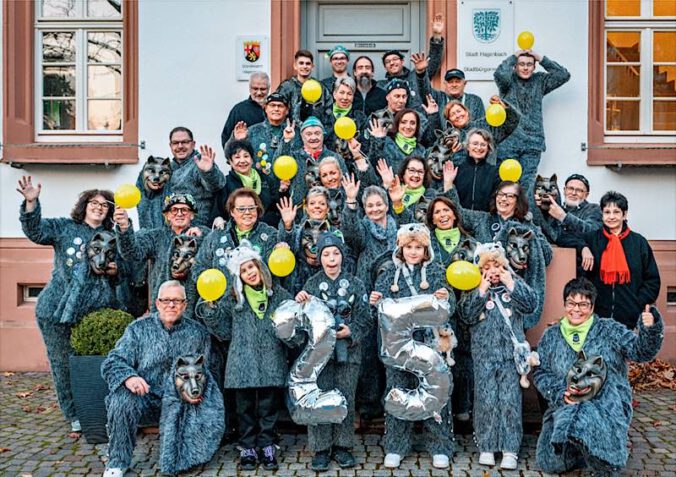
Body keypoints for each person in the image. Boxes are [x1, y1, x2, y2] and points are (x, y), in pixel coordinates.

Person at [18, 177, 122, 434]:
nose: (99, 207)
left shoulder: (115, 236)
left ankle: (98, 408)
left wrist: (114, 271)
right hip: (56, 310)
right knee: (62, 363)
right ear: (84, 205)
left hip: (94, 313)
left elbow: (125, 271)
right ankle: (74, 412)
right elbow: (36, 231)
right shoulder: (65, 228)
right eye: (93, 202)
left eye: (105, 205)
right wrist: (31, 203)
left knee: (94, 364)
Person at [535, 277, 664, 475]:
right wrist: (560, 393)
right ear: (565, 304)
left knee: (592, 434)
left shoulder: (609, 329)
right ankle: (581, 450)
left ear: (592, 306)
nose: (576, 309)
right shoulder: (551, 336)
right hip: (566, 403)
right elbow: (541, 373)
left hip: (607, 404)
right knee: (550, 462)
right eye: (571, 303)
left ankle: (606, 457)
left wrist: (649, 328)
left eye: (583, 304)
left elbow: (641, 352)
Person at [101, 281, 219, 477]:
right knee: (121, 399)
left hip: (181, 401)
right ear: (157, 303)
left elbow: (209, 370)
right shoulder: (138, 329)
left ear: (185, 305)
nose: (171, 305)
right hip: (145, 396)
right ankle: (117, 462)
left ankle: (186, 456)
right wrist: (129, 377)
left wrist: (198, 390)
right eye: (166, 300)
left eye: (177, 301)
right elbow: (112, 361)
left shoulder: (198, 333)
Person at [198, 242, 291, 471]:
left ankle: (267, 445)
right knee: (245, 408)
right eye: (244, 270)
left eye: (252, 268)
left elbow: (290, 315)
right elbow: (223, 332)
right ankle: (248, 447)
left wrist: (299, 301)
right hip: (242, 360)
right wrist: (211, 311)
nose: (249, 273)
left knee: (268, 407)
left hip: (270, 358)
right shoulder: (233, 299)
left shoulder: (277, 294)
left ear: (261, 268)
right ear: (239, 276)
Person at [370, 223, 455, 470]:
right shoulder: (387, 276)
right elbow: (380, 313)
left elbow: (451, 307)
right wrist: (374, 302)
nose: (414, 251)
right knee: (398, 391)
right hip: (399, 349)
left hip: (430, 347)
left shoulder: (438, 273)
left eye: (418, 247)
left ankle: (439, 446)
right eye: (409, 246)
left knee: (437, 394)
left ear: (426, 249)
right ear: (401, 248)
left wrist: (445, 297)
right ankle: (396, 445)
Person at [458, 242, 538, 470]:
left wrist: (511, 283)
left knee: (510, 400)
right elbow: (466, 316)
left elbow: (531, 305)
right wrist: (481, 291)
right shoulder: (473, 289)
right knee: (486, 400)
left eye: (497, 266)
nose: (492, 271)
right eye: (487, 267)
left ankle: (510, 448)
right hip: (484, 356)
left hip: (509, 357)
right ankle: (487, 445)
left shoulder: (514, 284)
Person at [296, 233, 372, 471]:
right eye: (326, 254)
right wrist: (301, 303)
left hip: (348, 353)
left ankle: (343, 446)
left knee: (344, 398)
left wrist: (351, 331)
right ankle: (321, 448)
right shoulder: (310, 286)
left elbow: (366, 319)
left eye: (336, 253)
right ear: (319, 258)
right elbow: (303, 321)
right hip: (319, 356)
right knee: (319, 400)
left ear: (342, 256)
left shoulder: (356, 283)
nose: (331, 258)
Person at [114, 193, 206, 317]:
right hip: (161, 307)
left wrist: (201, 239)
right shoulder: (155, 236)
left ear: (192, 215)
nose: (179, 213)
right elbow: (131, 254)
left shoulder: (202, 235)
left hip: (192, 308)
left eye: (184, 209)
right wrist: (124, 227)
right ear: (167, 215)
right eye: (174, 210)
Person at [425, 196, 475, 422]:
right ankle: (439, 410)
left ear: (455, 214)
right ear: (432, 219)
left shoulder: (471, 243)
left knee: (463, 359)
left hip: (464, 308)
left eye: (446, 210)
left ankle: (462, 407)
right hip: (436, 310)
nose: (442, 215)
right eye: (437, 212)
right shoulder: (426, 243)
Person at [580, 191, 660, 329]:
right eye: (607, 212)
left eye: (616, 212)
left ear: (625, 214)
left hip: (630, 318)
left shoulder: (639, 242)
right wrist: (583, 248)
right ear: (602, 214)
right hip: (596, 317)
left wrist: (637, 303)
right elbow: (565, 237)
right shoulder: (591, 239)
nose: (611, 217)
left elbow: (652, 280)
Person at [494, 49, 571, 194]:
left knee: (526, 184)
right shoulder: (507, 81)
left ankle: (522, 215)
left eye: (529, 64)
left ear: (534, 67)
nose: (525, 67)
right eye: (521, 64)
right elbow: (499, 74)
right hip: (508, 141)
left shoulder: (540, 81)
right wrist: (514, 56)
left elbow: (563, 75)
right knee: (505, 183)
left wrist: (540, 57)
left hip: (532, 143)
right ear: (515, 66)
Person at [277, 187, 351, 295]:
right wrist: (287, 226)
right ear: (306, 208)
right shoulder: (297, 231)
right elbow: (286, 250)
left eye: (322, 203)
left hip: (327, 286)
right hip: (298, 284)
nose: (317, 206)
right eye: (312, 203)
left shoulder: (337, 234)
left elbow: (343, 259)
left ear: (328, 208)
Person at [376, 13, 446, 109]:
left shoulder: (415, 76)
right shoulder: (380, 85)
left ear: (402, 61)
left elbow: (433, 61)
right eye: (388, 62)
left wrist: (437, 36)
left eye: (395, 59)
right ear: (385, 67)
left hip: (417, 121)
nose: (392, 63)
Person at [228, 92, 301, 179]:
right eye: (272, 105)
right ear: (265, 108)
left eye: (280, 106)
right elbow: (230, 155)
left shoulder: (296, 132)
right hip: (259, 185)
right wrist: (237, 140)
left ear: (287, 110)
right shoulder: (253, 131)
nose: (276, 109)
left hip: (288, 183)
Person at [166, 127, 226, 228]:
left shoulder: (200, 162)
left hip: (196, 230)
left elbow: (217, 185)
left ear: (193, 144)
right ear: (170, 145)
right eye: (176, 143)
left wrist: (208, 172)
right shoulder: (168, 167)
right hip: (172, 229)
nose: (180, 146)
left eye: (185, 142)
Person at [215, 140, 285, 226]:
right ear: (230, 162)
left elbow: (277, 207)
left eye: (246, 156)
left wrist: (282, 191)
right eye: (237, 157)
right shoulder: (225, 183)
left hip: (266, 229)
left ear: (252, 159)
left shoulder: (265, 179)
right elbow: (219, 213)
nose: (242, 160)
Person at [287, 116, 349, 205]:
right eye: (308, 134)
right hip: (299, 211)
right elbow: (278, 162)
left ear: (323, 135)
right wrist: (287, 140)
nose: (313, 137)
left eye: (317, 133)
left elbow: (346, 185)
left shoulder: (336, 157)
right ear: (302, 136)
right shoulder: (294, 157)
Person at [533, 173, 603, 251]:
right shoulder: (558, 209)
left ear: (586, 195)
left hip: (584, 261)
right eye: (570, 188)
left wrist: (563, 217)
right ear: (564, 190)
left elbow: (592, 232)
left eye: (579, 190)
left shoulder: (593, 209)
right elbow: (549, 234)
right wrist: (538, 208)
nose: (573, 193)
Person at [452, 128, 502, 212]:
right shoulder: (456, 169)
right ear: (468, 146)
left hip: (484, 220)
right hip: (460, 219)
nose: (479, 148)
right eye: (475, 144)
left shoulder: (494, 172)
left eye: (483, 144)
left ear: (488, 148)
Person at [276, 49, 328, 124]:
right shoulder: (286, 86)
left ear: (312, 67)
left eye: (308, 64)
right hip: (292, 132)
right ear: (295, 66)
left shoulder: (320, 87)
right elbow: (278, 109)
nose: (305, 66)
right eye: (301, 63)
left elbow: (329, 108)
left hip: (315, 132)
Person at [220, 72, 269, 148]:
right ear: (249, 88)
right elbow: (226, 139)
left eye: (263, 89)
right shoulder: (239, 110)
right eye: (255, 88)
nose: (259, 93)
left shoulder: (275, 109)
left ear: (269, 88)